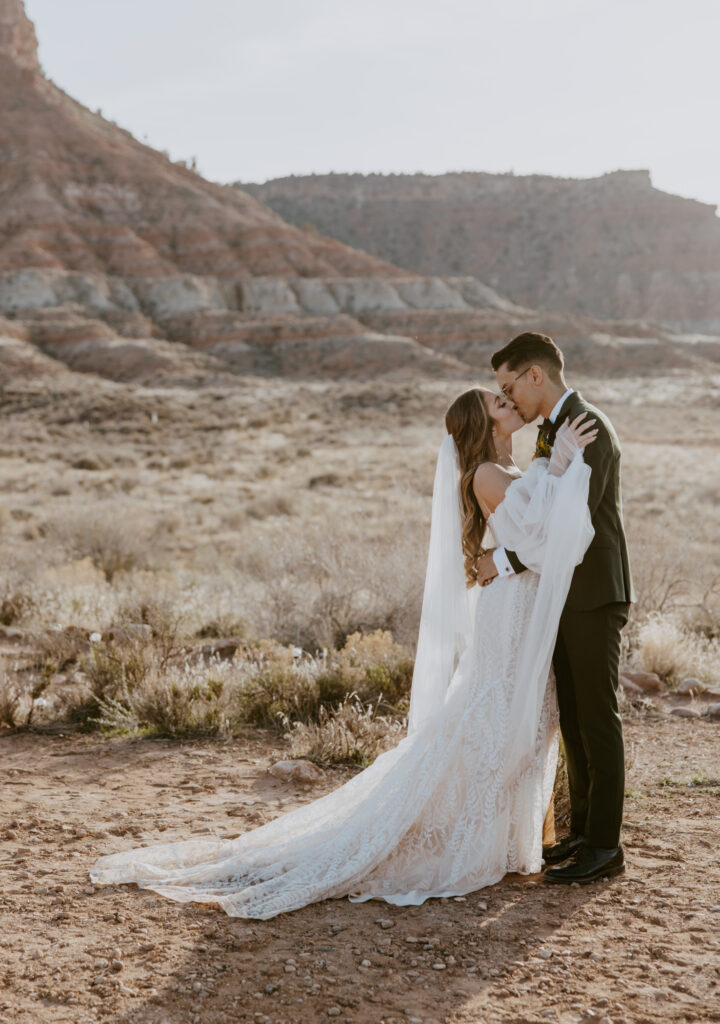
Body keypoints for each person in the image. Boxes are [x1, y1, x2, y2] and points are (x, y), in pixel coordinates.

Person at [88, 384, 597, 919]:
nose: (510, 403)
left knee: (517, 719)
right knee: (498, 718)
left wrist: (548, 470)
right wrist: (560, 460)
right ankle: (471, 838)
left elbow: (530, 531)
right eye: (499, 403)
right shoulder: (489, 475)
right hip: (510, 612)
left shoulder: (505, 472)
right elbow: (541, 532)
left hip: (516, 606)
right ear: (484, 426)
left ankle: (494, 837)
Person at [476, 331, 635, 885]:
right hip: (563, 593)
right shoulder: (555, 432)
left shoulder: (586, 425)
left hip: (593, 592)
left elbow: (570, 527)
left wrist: (509, 560)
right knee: (572, 716)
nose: (509, 398)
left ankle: (606, 845)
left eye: (508, 386)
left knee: (597, 716)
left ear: (534, 375)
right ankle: (584, 830)